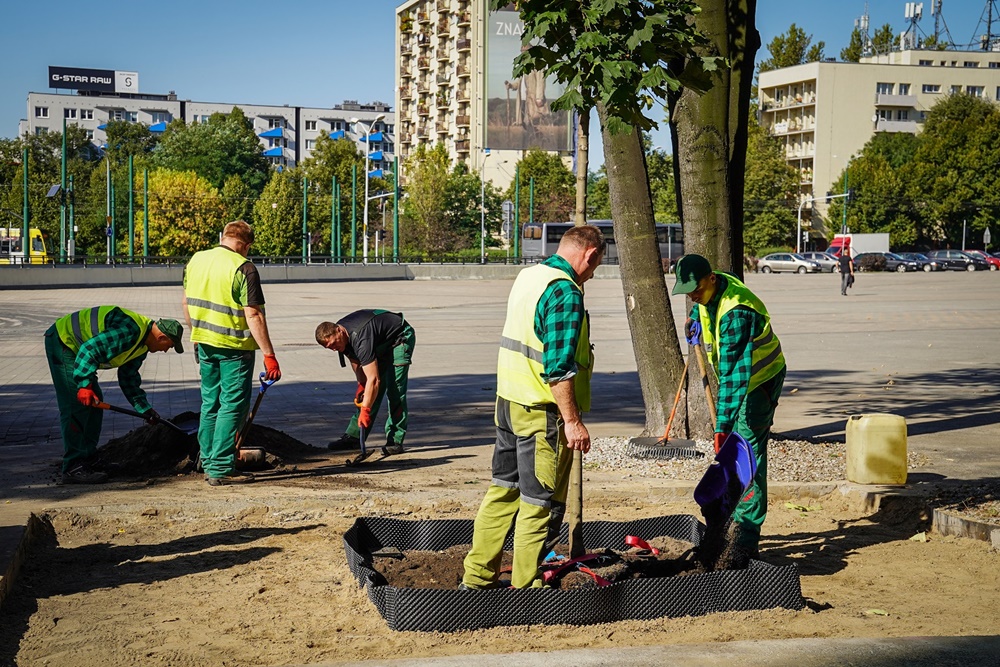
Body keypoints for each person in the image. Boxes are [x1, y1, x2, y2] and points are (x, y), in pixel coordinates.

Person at [461, 225, 605, 590]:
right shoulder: (564, 291)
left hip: (508, 403)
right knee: (537, 504)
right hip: (541, 414)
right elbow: (558, 366)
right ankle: (526, 589)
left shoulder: (530, 276)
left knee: (501, 491)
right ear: (590, 254)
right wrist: (572, 421)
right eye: (597, 265)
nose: (593, 273)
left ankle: (476, 578)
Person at [673, 254, 786, 557]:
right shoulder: (712, 289)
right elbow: (704, 306)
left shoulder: (737, 313)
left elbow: (736, 378)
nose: (692, 297)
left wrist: (721, 427)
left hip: (758, 380)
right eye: (687, 292)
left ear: (711, 279)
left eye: (695, 290)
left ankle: (746, 538)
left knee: (749, 453)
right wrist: (695, 319)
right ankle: (732, 518)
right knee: (735, 448)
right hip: (740, 378)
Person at [182, 220, 281, 487]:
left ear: (224, 236)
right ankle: (221, 467)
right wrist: (269, 355)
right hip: (235, 348)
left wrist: (196, 335)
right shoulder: (244, 267)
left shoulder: (196, 260)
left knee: (210, 403)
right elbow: (253, 313)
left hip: (204, 343)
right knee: (231, 406)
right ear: (245, 245)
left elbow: (186, 301)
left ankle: (207, 458)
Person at [44, 307, 184, 484]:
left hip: (78, 351)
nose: (166, 351)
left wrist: (144, 409)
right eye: (169, 346)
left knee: (94, 405)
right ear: (162, 337)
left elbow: (129, 378)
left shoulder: (142, 345)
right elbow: (89, 350)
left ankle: (88, 459)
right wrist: (84, 385)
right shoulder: (129, 331)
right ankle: (73, 467)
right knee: (77, 406)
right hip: (64, 342)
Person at [315, 310, 416, 456]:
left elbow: (374, 380)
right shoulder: (342, 338)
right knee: (367, 395)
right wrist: (361, 384)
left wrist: (366, 410)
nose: (334, 348)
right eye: (330, 348)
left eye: (334, 344)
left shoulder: (361, 338)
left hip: (400, 338)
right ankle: (354, 437)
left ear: (339, 330)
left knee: (395, 391)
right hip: (380, 343)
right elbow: (354, 359)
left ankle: (395, 440)